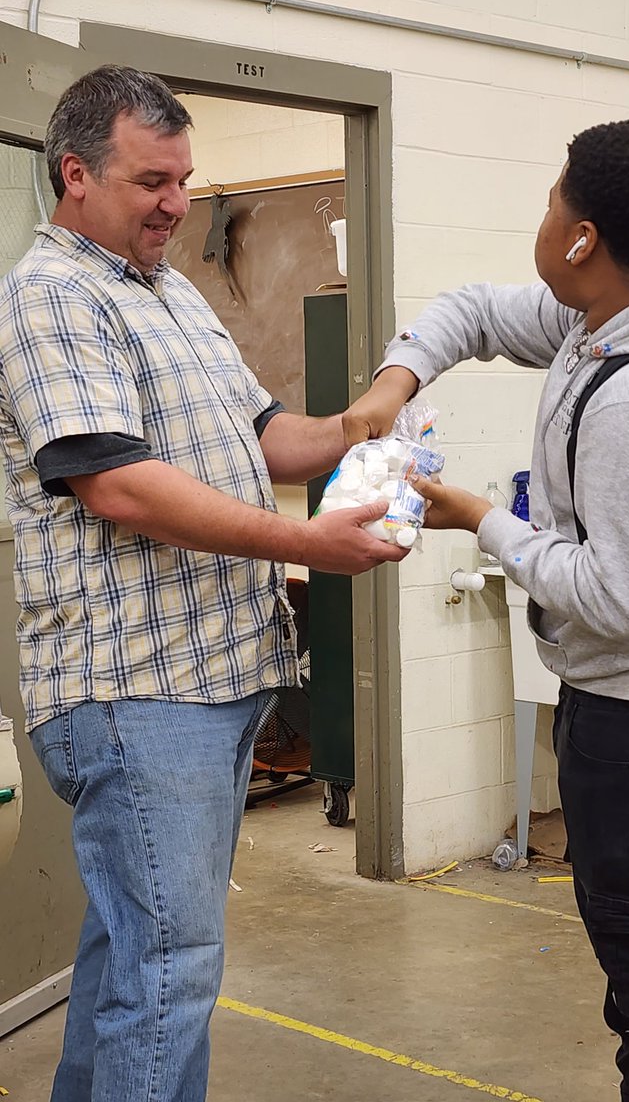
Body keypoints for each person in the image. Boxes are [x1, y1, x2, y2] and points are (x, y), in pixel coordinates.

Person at [347, 120, 629, 1101]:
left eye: (554, 199)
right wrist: (398, 380)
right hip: (622, 691)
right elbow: (470, 312)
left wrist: (478, 517)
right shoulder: (609, 318)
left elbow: (619, 596)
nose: (543, 218)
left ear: (584, 237)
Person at [0, 65, 406, 1102]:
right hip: (137, 689)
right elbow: (119, 487)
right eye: (152, 183)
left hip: (213, 680)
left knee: (129, 957)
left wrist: (360, 426)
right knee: (169, 975)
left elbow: (267, 434)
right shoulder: (51, 297)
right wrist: (305, 545)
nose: (177, 205)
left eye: (185, 179)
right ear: (77, 174)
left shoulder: (169, 290)